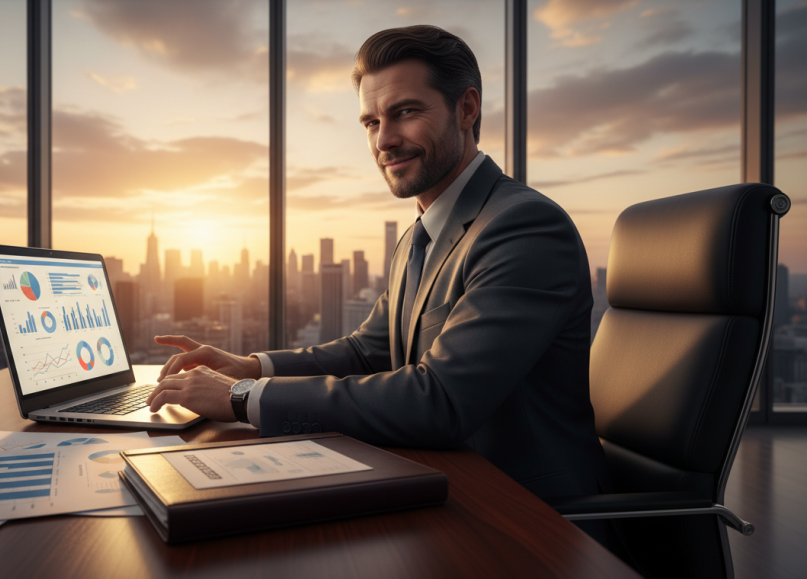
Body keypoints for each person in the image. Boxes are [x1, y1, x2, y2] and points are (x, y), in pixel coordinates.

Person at [146, 25, 609, 501]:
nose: (384, 140)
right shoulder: (417, 236)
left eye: (405, 112)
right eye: (371, 122)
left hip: (529, 515)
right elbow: (370, 352)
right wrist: (250, 367)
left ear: (466, 108)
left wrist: (240, 398)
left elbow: (443, 401)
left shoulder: (523, 226)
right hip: (440, 482)